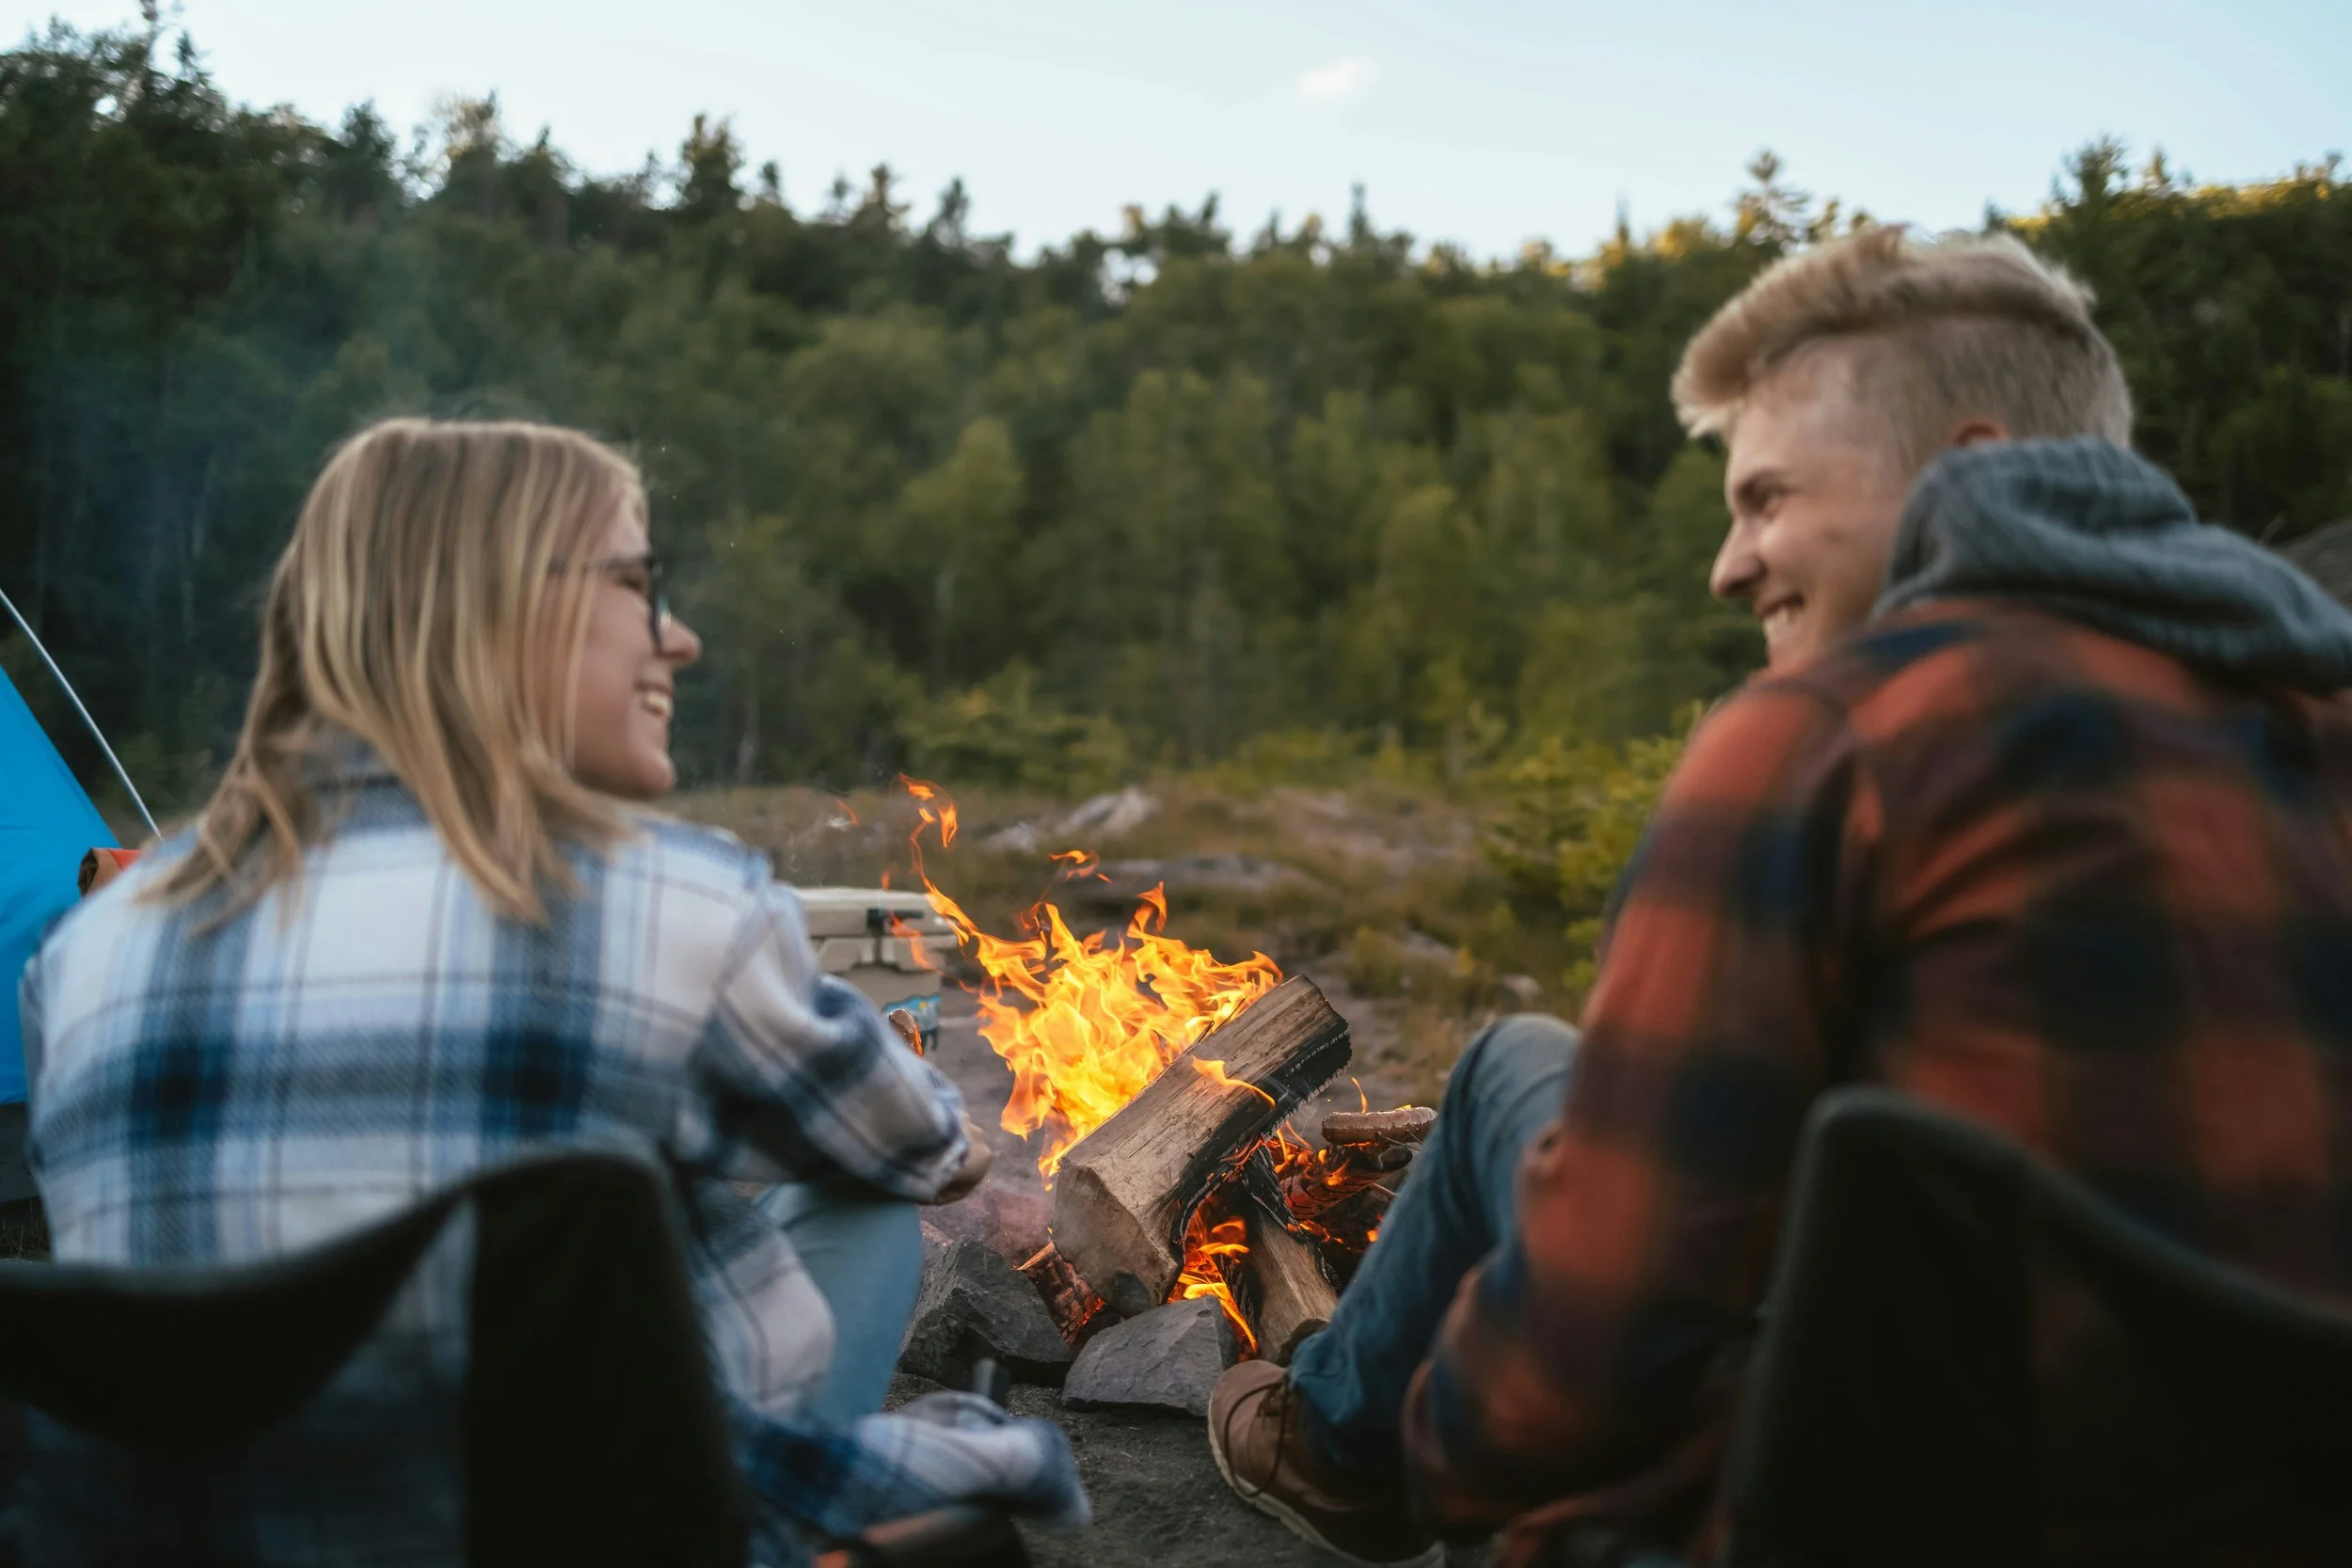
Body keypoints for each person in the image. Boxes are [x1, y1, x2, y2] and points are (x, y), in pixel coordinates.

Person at [1209, 225, 2352, 1565]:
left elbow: (1571, 1370)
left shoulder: (1827, 742)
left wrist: (1457, 1457)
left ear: (1975, 469)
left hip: (1846, 1515)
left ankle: (1339, 1448)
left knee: (1513, 1065)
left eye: (1766, 500)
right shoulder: (2317, 730)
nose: (1729, 564)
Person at [16, 418, 1084, 1565]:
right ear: (509, 607)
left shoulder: (83, 955)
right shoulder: (666, 898)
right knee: (855, 1186)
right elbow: (925, 1151)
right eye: (641, 586)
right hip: (587, 1526)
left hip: (203, 1534)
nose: (682, 638)